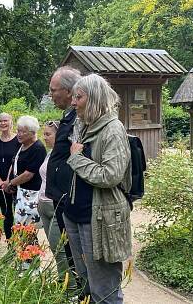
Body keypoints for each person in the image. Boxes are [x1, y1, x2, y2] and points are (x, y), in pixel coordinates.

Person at [64, 74, 132, 304]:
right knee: (87, 283)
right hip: (77, 215)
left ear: (93, 98)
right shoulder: (84, 125)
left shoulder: (112, 129)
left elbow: (110, 175)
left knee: (105, 289)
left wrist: (76, 158)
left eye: (78, 97)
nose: (73, 102)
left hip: (100, 220)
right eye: (73, 96)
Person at [46, 66, 82, 282]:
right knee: (66, 249)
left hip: (68, 196)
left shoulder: (78, 119)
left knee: (72, 250)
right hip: (60, 195)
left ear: (69, 92)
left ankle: (77, 289)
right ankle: (72, 287)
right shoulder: (69, 117)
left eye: (53, 90)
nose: (51, 95)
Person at [37, 120, 77, 288]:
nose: (44, 138)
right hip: (43, 204)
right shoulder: (50, 153)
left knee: (60, 247)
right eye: (44, 134)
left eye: (48, 134)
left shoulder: (65, 154)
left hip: (55, 205)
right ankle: (63, 281)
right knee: (54, 249)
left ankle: (72, 286)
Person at [5, 115, 46, 227]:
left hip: (31, 195)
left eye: (23, 132)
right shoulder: (21, 145)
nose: (19, 134)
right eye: (18, 131)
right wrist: (9, 180)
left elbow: (28, 174)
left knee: (28, 227)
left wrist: (12, 183)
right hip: (19, 193)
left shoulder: (37, 148)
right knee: (20, 226)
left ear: (33, 133)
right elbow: (14, 163)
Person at [0, 112, 20, 239]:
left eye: (5, 120)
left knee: (19, 214)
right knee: (7, 215)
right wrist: (1, 182)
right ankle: (10, 243)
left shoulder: (18, 140)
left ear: (11, 122)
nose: (3, 123)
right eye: (0, 121)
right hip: (0, 185)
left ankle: (22, 245)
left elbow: (16, 161)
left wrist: (9, 181)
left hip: (15, 183)